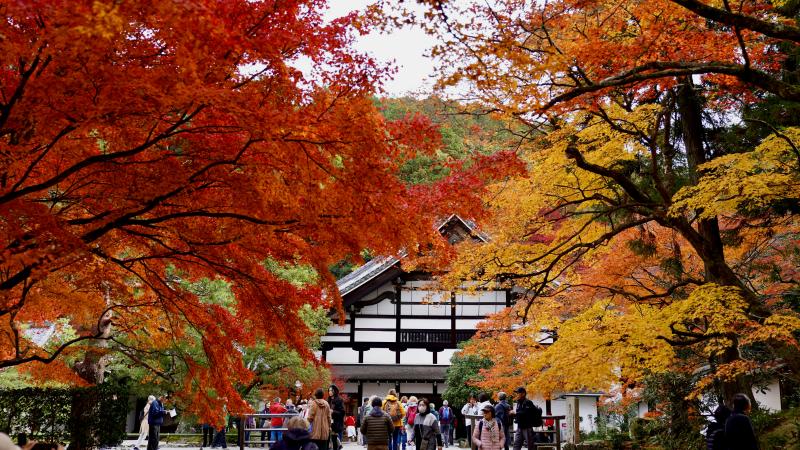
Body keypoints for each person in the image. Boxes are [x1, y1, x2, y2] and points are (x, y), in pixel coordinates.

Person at [329, 385, 345, 450]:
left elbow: (342, 412)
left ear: (334, 391)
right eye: (329, 390)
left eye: (331, 390)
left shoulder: (339, 400)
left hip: (337, 423)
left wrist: (333, 411)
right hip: (329, 423)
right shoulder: (328, 400)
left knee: (335, 441)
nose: (329, 392)